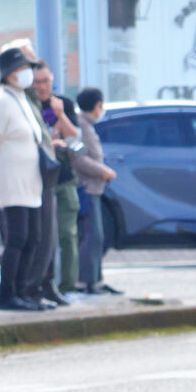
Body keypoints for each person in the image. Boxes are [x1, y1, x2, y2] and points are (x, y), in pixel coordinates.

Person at [0, 45, 54, 313]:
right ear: (9, 74)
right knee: (17, 238)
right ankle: (6, 293)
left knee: (33, 237)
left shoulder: (21, 98)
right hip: (10, 182)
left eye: (28, 69)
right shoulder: (1, 101)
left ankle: (23, 291)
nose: (27, 74)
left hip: (30, 181)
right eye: (21, 69)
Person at [31, 63, 81, 305]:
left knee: (68, 233)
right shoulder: (28, 105)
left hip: (64, 176)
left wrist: (60, 115)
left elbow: (72, 135)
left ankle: (68, 284)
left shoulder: (63, 104)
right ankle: (43, 282)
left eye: (45, 81)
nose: (41, 87)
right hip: (40, 179)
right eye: (37, 82)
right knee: (44, 235)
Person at [71, 87, 120, 295]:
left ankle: (96, 280)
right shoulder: (81, 125)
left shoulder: (87, 125)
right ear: (97, 105)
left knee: (97, 237)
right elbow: (79, 158)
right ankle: (87, 281)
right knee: (93, 236)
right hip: (88, 187)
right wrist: (103, 171)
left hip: (95, 188)